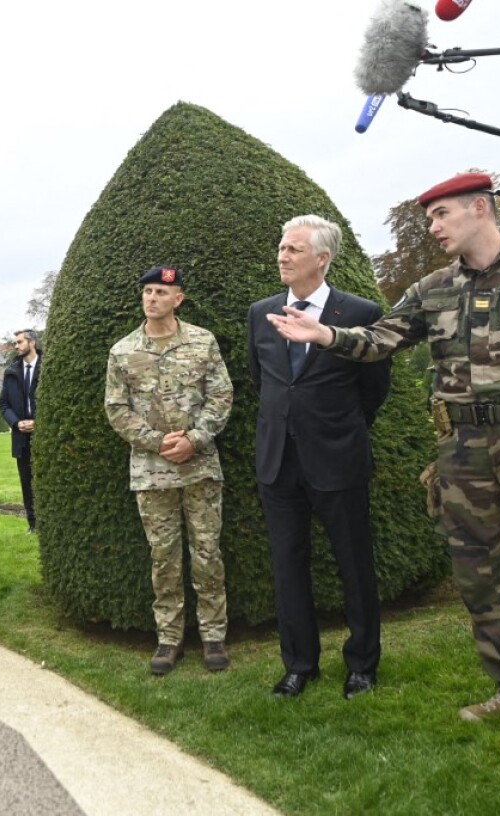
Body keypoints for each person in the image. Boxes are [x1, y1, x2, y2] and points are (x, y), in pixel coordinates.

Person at [268, 172, 500, 736]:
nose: (434, 227)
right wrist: (326, 338)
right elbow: (383, 338)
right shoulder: (433, 286)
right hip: (462, 452)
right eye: (429, 220)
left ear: (480, 208)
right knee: (482, 578)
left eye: (442, 215)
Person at [247, 215, 391, 699]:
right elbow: (263, 380)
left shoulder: (361, 312)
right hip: (278, 462)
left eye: (293, 249)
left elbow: (373, 390)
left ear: (323, 259)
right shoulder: (260, 313)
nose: (282, 255)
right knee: (288, 565)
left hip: (337, 459)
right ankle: (299, 665)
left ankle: (362, 665)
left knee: (354, 564)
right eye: (281, 247)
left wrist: (337, 431)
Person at [105, 266, 233, 676]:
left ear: (178, 298)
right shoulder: (123, 351)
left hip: (200, 467)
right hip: (151, 470)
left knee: (207, 552)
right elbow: (116, 409)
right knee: (163, 557)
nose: (152, 298)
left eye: (161, 291)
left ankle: (214, 635)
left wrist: (193, 438)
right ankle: (169, 638)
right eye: (147, 291)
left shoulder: (202, 342)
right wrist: (157, 442)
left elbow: (221, 396)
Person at [0, 329, 40, 533]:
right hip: (21, 437)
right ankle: (33, 524)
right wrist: (16, 423)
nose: (16, 346)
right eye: (15, 343)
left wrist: (39, 422)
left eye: (20, 342)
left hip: (44, 435)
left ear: (32, 343)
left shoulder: (47, 367)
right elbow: (4, 404)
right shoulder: (11, 372)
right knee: (27, 482)